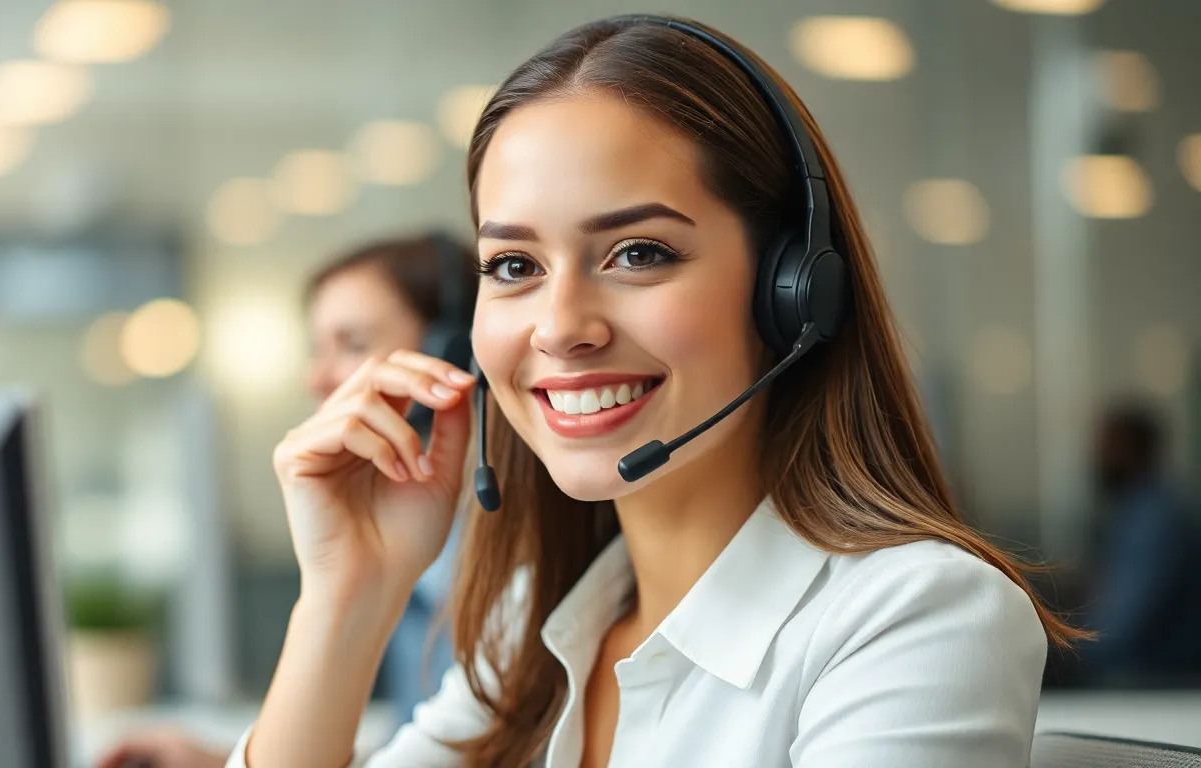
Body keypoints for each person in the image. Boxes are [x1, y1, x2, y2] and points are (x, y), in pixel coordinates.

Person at [236, 15, 1088, 768]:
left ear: (793, 290)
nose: (560, 326)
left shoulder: (914, 620)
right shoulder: (532, 632)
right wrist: (349, 594)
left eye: (638, 252)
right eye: (515, 266)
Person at [96, 233, 477, 768]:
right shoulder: (411, 547)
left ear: (453, 350)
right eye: (314, 349)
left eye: (351, 343)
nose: (316, 378)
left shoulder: (518, 572)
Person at [1080, 403, 1201, 687]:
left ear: (1139, 451)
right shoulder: (1135, 511)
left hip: (1153, 685)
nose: (1098, 456)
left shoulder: (1153, 520)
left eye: (1109, 445)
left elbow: (1124, 625)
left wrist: (1063, 645)